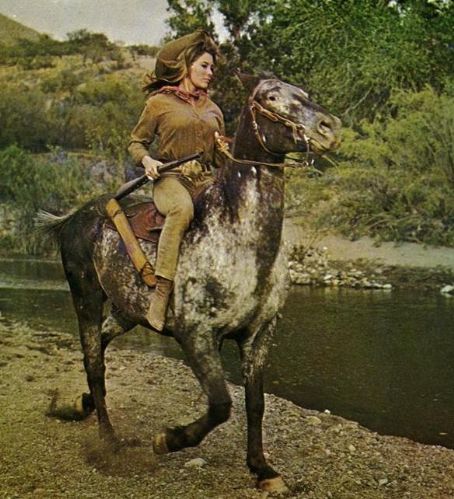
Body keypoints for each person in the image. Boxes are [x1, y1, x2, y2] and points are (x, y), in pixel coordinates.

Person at [128, 29, 225, 332]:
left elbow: (219, 160)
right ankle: (161, 294)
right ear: (186, 67)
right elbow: (136, 142)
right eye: (204, 66)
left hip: (205, 179)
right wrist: (148, 161)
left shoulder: (213, 109)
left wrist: (224, 151)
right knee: (182, 210)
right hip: (171, 179)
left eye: (212, 68)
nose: (210, 73)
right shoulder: (159, 103)